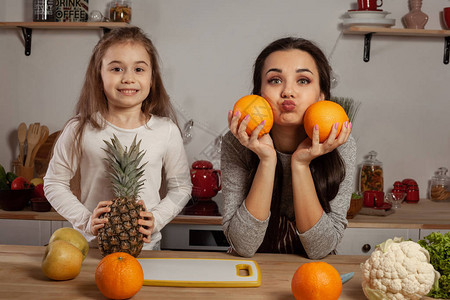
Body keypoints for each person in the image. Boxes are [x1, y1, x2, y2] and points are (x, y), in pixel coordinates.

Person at [44, 27, 192, 250]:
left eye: (139, 69)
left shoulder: (166, 130)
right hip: (91, 249)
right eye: (116, 68)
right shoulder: (80, 128)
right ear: (99, 76)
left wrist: (157, 219)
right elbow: (54, 182)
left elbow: (181, 187)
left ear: (152, 78)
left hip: (146, 250)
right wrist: (85, 220)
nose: (128, 78)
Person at [221, 37, 356, 259]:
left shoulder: (340, 143)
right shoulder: (238, 142)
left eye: (303, 80)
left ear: (322, 94)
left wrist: (300, 164)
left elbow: (321, 249)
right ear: (258, 94)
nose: (288, 91)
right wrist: (267, 160)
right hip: (252, 271)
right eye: (275, 80)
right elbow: (243, 246)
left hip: (313, 275)